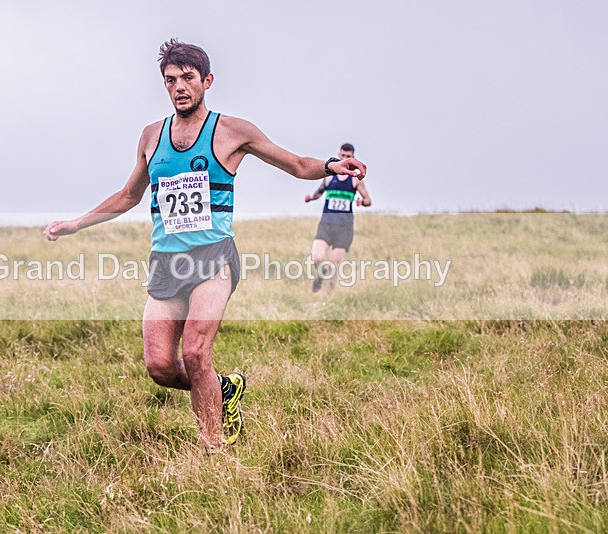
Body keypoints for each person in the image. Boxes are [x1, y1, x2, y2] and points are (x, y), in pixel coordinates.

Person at [44, 39, 367, 451]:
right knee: (160, 366)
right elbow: (129, 195)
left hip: (214, 257)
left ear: (206, 81)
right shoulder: (150, 137)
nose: (179, 86)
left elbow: (296, 164)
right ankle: (224, 388)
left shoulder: (233, 131)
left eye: (188, 78)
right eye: (170, 80)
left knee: (196, 353)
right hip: (167, 262)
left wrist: (330, 166)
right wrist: (76, 224)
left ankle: (212, 452)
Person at [304, 143, 372, 293]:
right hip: (326, 225)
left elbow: (368, 200)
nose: (345, 159)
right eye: (343, 156)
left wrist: (362, 202)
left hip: (344, 227)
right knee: (317, 258)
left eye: (348, 157)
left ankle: (328, 296)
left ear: (353, 158)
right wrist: (311, 198)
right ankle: (320, 276)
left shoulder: (355, 180)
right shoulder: (329, 178)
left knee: (335, 264)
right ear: (339, 155)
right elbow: (319, 192)